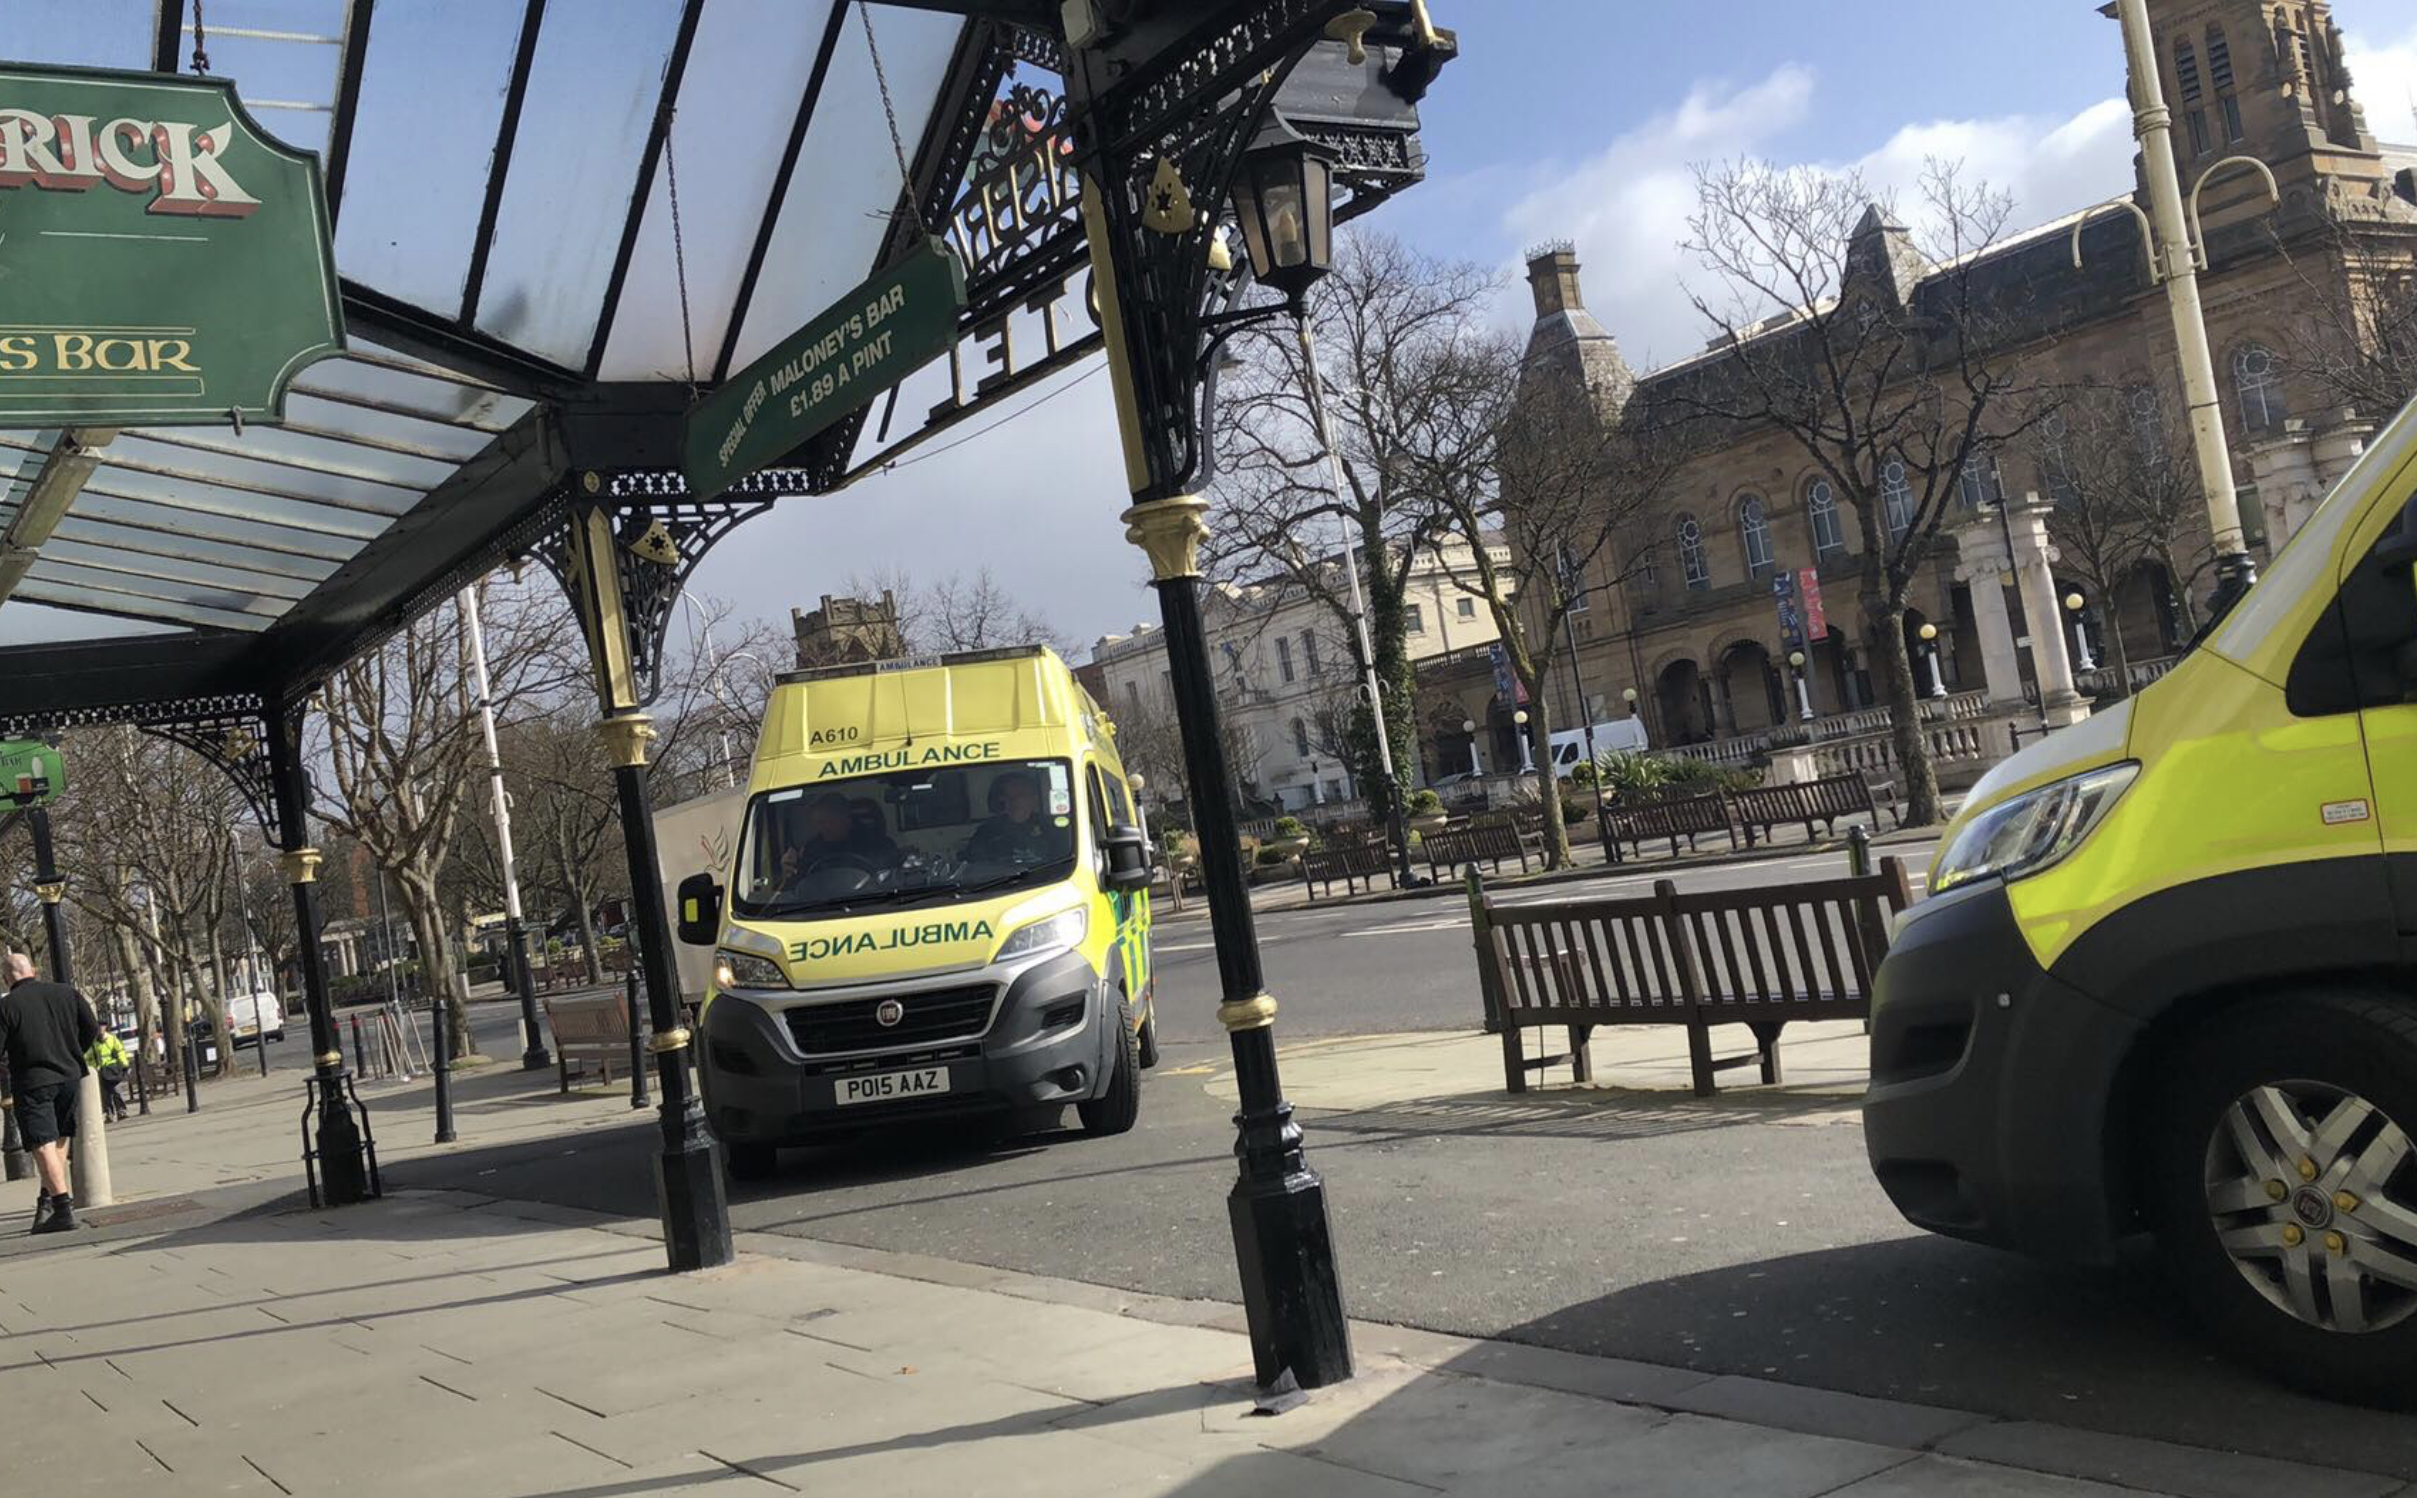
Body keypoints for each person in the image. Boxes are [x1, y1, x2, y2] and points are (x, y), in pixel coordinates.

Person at [0, 951, 100, 1234]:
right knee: (59, 1136)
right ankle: (47, 1200)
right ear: (33, 969)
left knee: (41, 1142)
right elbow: (91, 1028)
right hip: (68, 1076)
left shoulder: (7, 1007)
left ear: (7, 978)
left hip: (32, 1080)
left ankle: (61, 1206)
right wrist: (72, 1053)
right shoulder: (66, 993)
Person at [776, 794, 898, 886]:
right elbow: (800, 886)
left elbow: (893, 880)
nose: (825, 827)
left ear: (847, 818)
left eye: (831, 821)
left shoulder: (879, 844)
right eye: (820, 823)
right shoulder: (811, 849)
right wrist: (788, 873)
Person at [962, 771, 1068, 866]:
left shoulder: (1053, 827)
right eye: (1007, 796)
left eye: (1020, 794)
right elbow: (973, 867)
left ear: (1033, 798)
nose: (1014, 800)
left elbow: (1064, 864)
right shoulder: (986, 831)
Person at [87, 1027, 130, 1123]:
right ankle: (108, 1114)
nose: (100, 1030)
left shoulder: (112, 1039)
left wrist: (124, 1064)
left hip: (113, 1069)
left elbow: (120, 1052)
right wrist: (93, 1068)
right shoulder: (93, 1043)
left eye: (102, 1028)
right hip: (101, 1071)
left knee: (116, 1091)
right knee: (105, 1095)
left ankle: (121, 1111)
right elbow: (88, 1057)